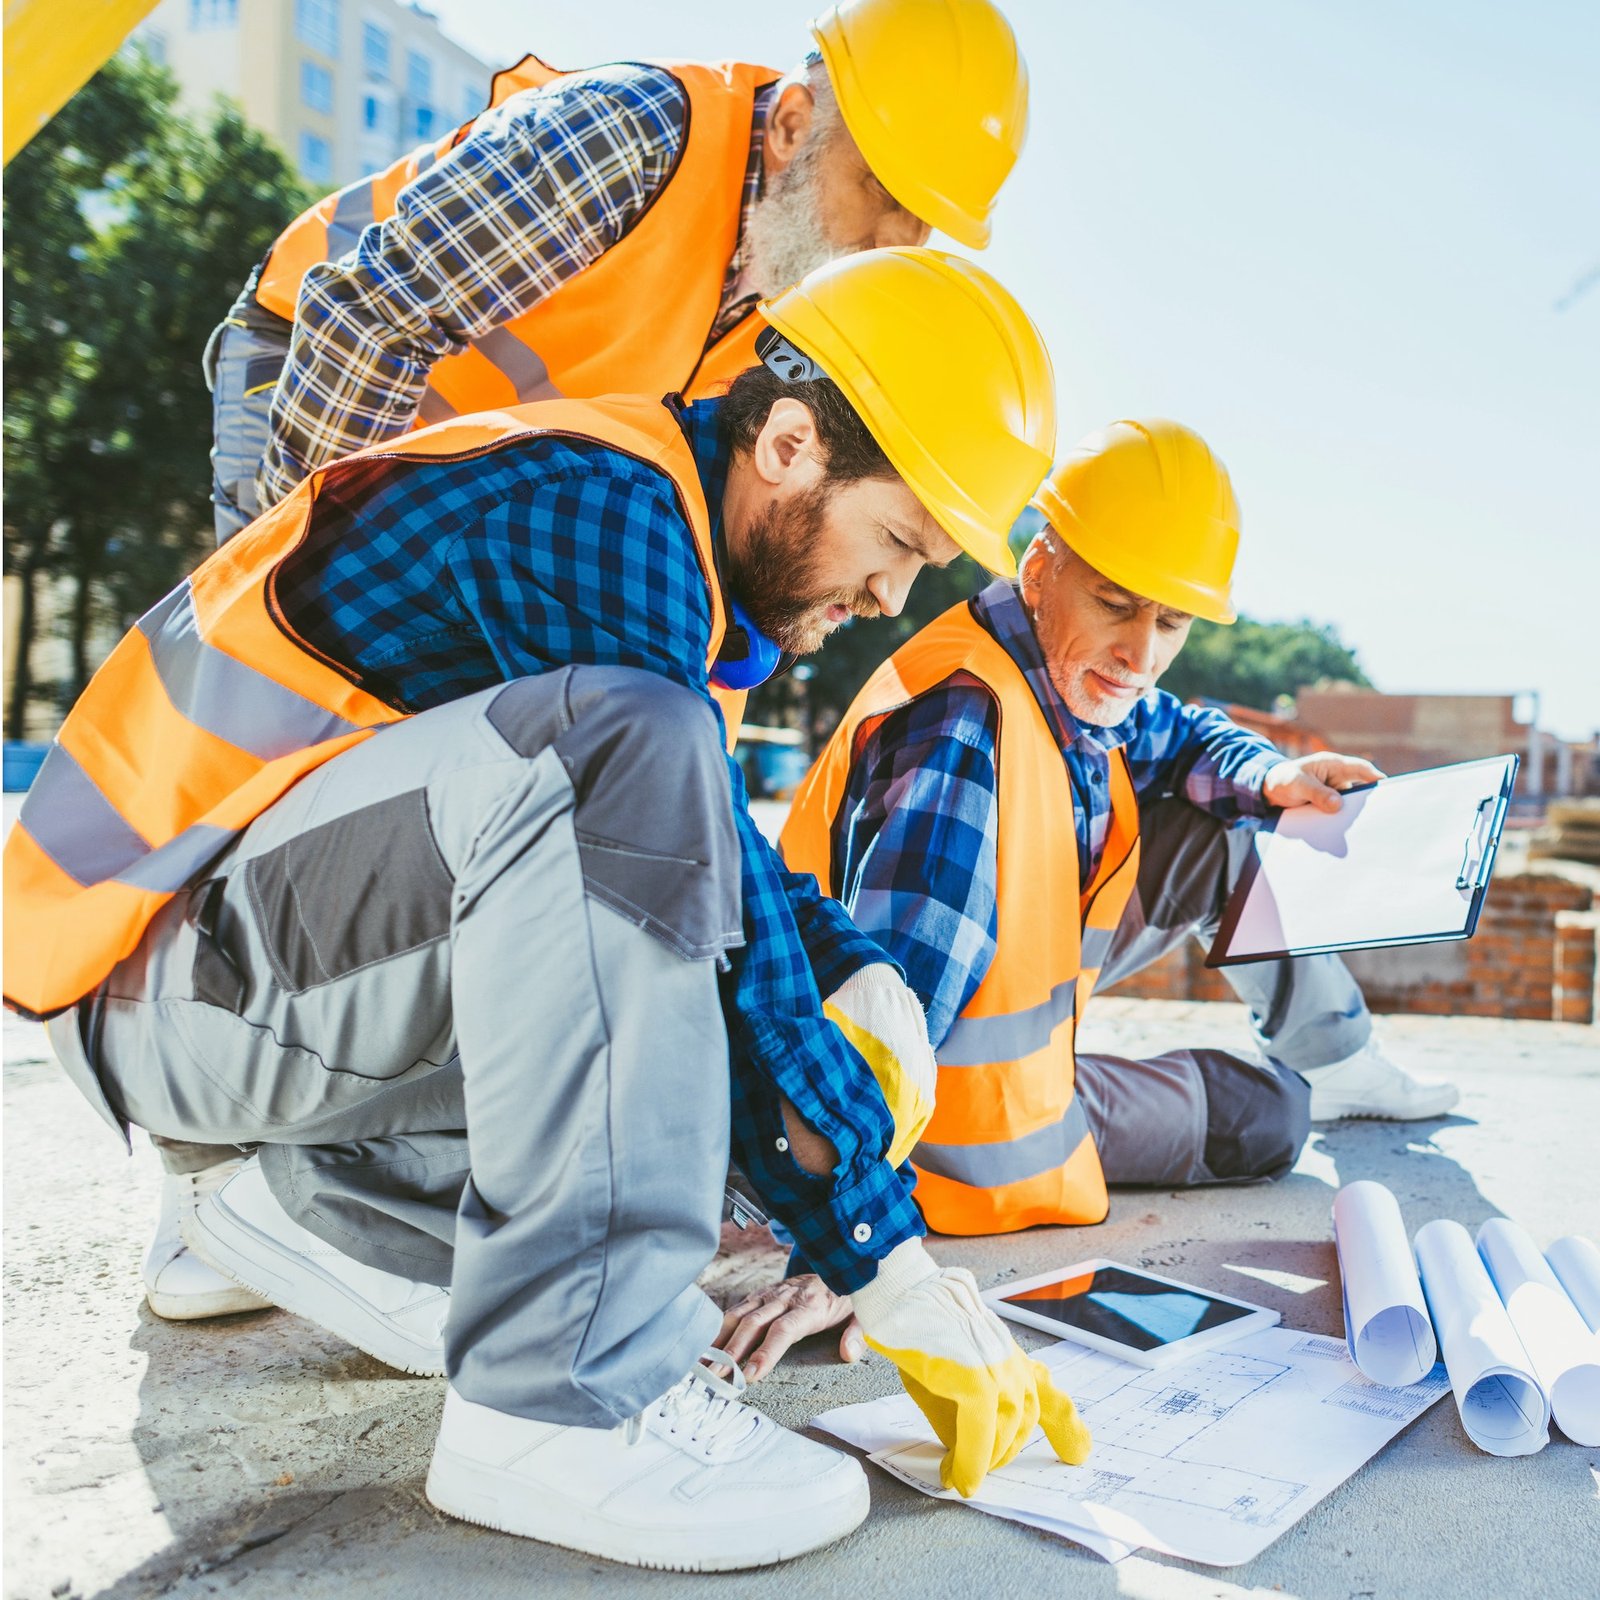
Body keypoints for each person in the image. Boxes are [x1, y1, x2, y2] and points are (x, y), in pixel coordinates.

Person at [4, 248, 1090, 1570]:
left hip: (249, 989)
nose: (887, 599)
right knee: (635, 790)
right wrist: (884, 1255)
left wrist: (861, 981)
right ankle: (557, 1404)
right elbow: (702, 913)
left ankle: (303, 1196)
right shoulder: (600, 517)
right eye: (899, 544)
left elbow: (729, 880)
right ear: (792, 445)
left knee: (759, 1012)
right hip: (163, 995)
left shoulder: (671, 541)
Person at [170, 0, 1031, 1326]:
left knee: (555, 831)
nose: (892, 248)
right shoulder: (630, 138)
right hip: (324, 397)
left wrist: (798, 942)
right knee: (307, 774)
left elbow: (680, 694)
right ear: (798, 123)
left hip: (485, 537)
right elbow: (369, 316)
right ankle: (209, 1177)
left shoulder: (791, 348)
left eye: (926, 230)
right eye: (886, 199)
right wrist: (307, 621)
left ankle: (343, 1178)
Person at [733, 419, 1457, 1378]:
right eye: (1115, 604)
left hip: (1017, 1060)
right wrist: (852, 1255)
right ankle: (1297, 1079)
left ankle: (1344, 1062)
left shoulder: (1066, 680)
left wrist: (1272, 774)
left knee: (1231, 852)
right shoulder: (962, 732)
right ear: (1042, 565)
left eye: (1170, 623)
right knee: (1268, 1119)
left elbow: (1183, 731)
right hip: (948, 1142)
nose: (1140, 652)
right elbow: (886, 1016)